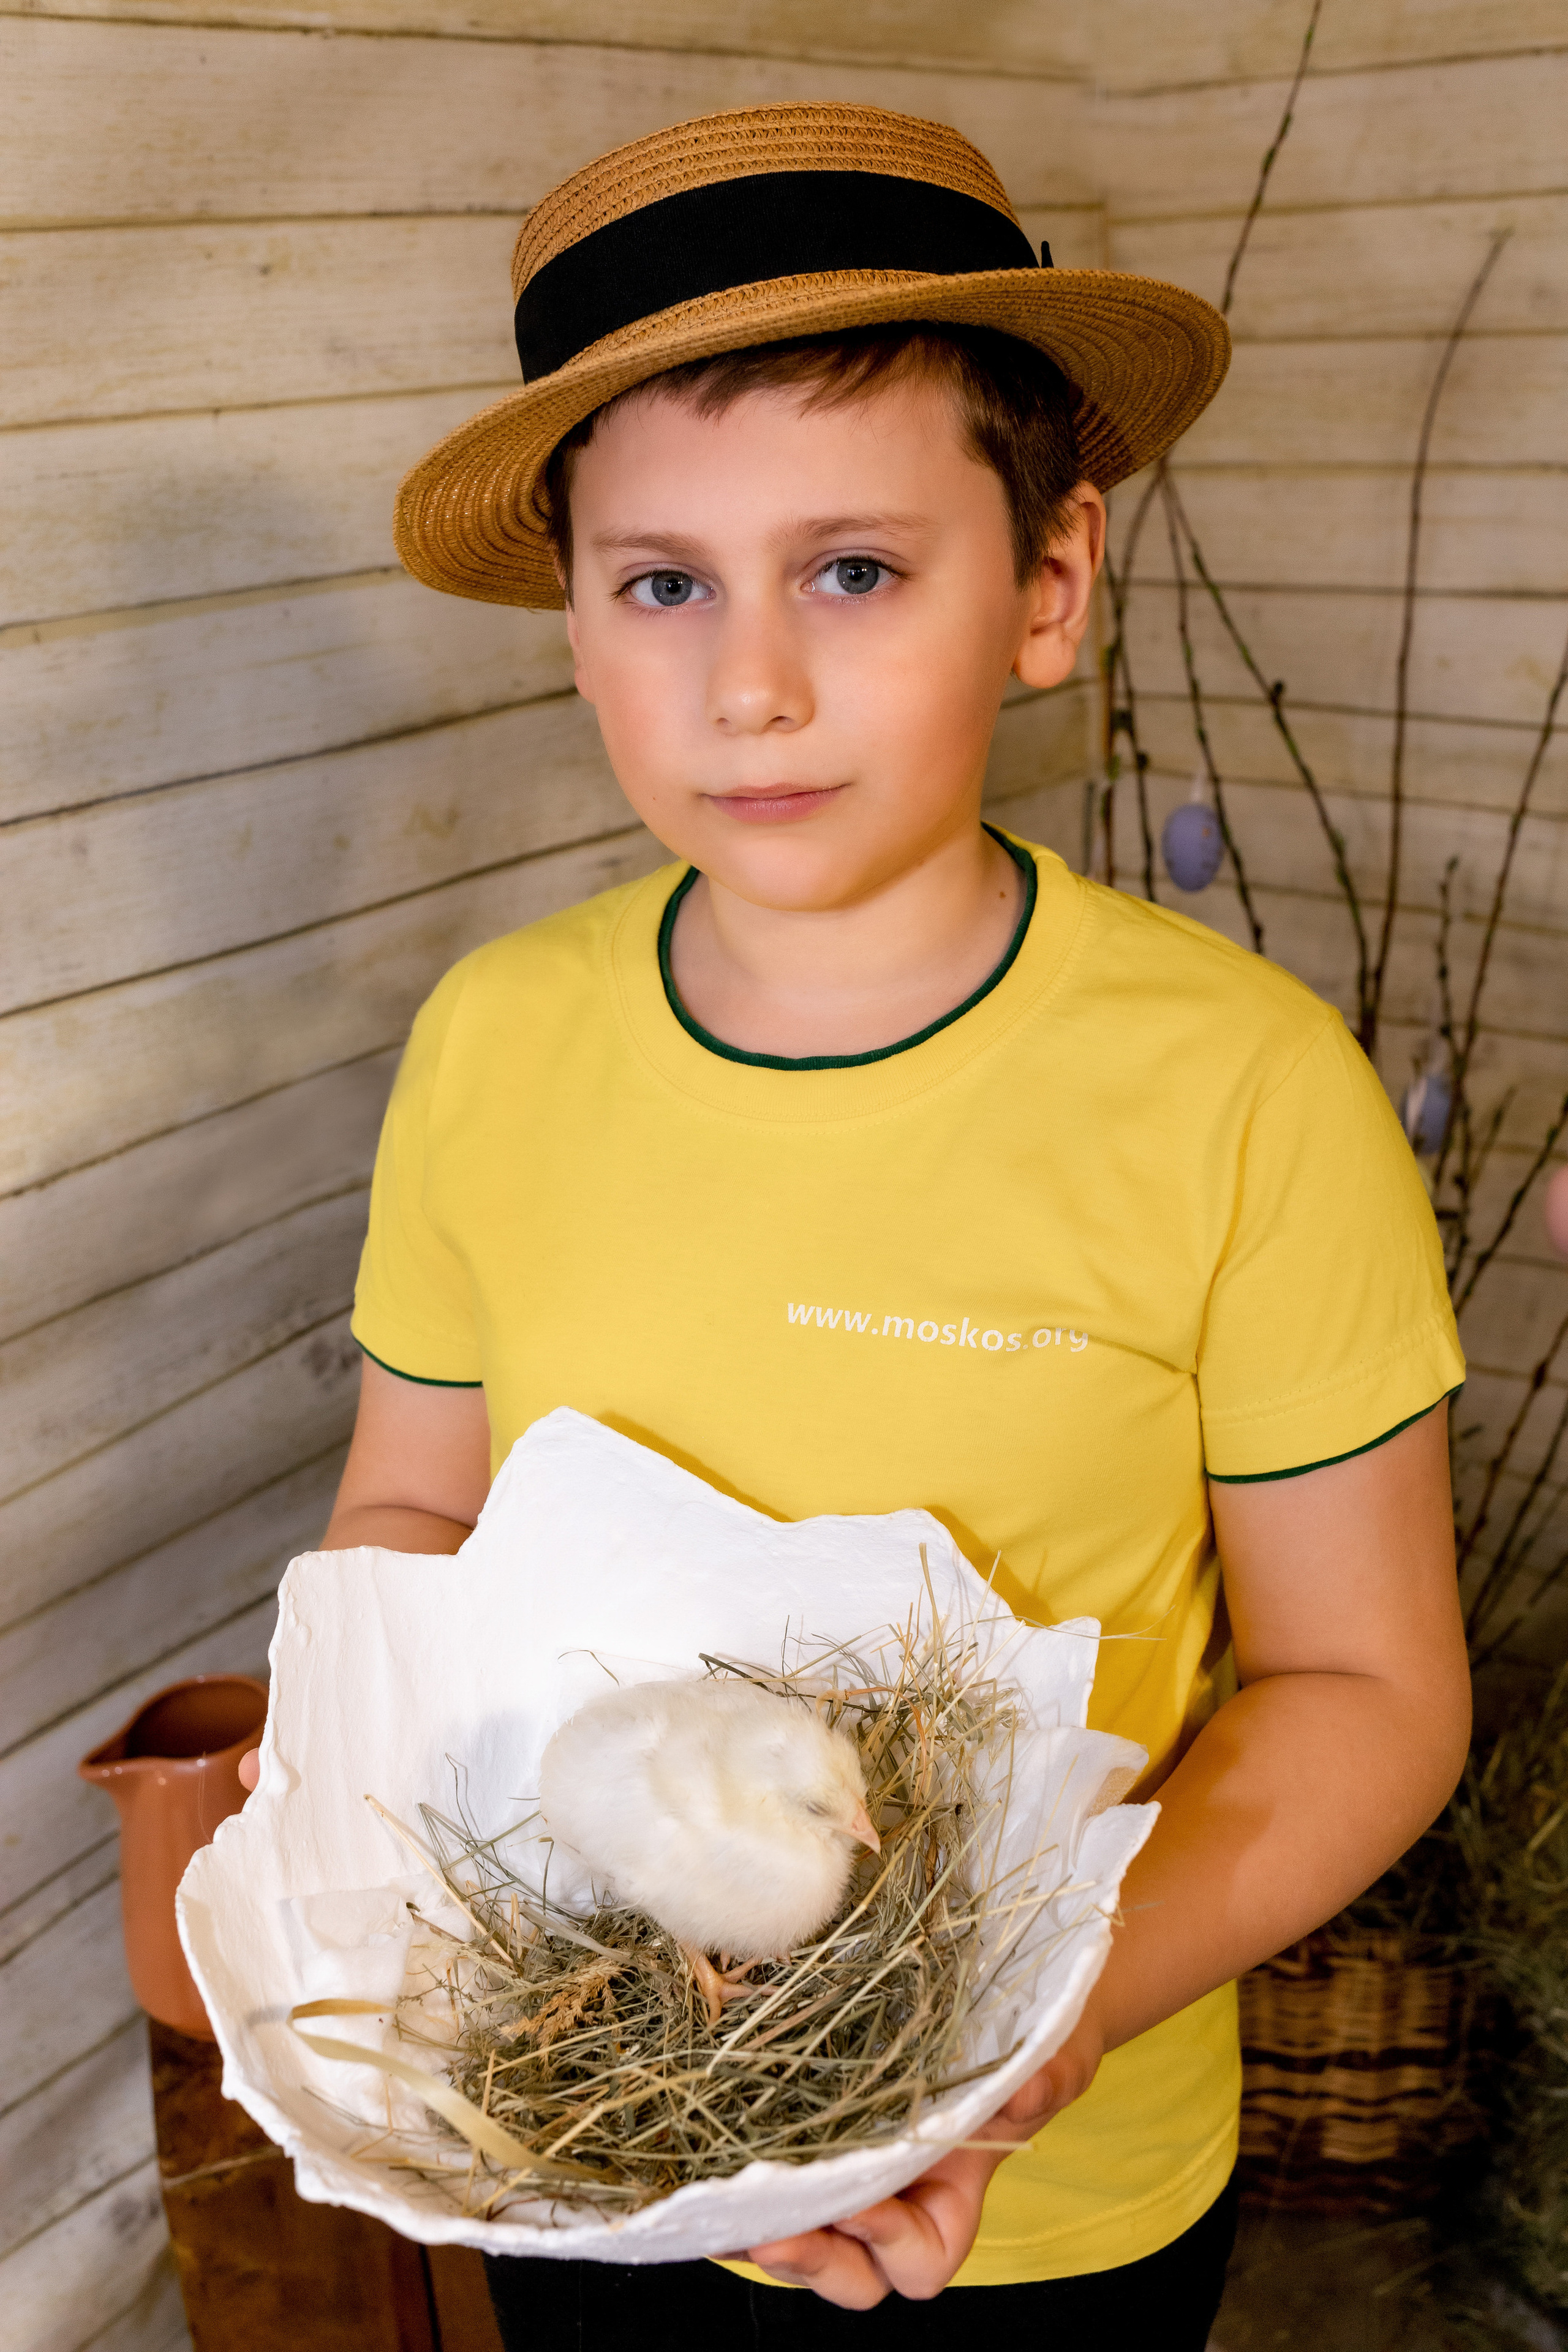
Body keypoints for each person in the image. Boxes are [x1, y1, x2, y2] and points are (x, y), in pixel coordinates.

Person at [243, 102, 1470, 2345]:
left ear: (1052, 585)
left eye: (856, 569)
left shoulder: (1244, 1091)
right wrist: (381, 1839)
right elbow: (414, 1513)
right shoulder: (495, 1041)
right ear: (582, 628)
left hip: (1048, 2178)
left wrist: (1033, 2015)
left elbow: (1368, 1684)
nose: (753, 682)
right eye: (665, 583)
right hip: (592, 2129)